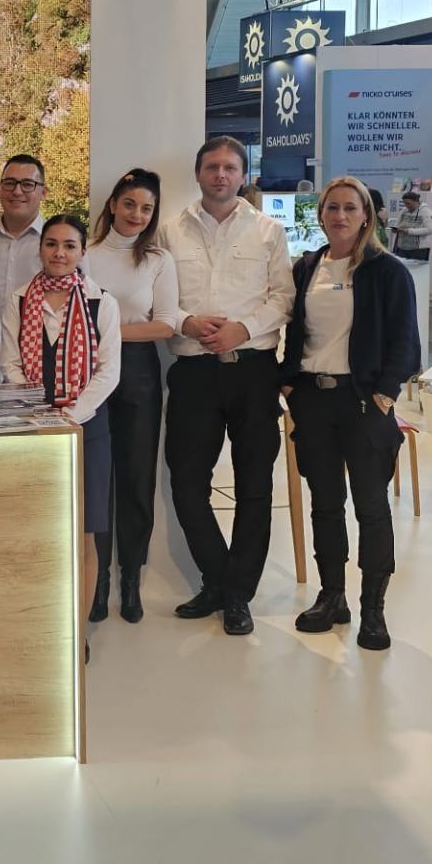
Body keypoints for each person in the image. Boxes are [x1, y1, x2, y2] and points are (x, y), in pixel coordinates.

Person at [279, 178, 419, 652]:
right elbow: (295, 332)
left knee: (371, 507)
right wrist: (289, 382)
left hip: (363, 404)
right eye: (332, 207)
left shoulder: (387, 271)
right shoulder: (306, 268)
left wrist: (385, 395)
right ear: (320, 214)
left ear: (366, 217)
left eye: (350, 208)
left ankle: (373, 610)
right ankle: (331, 596)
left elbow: (406, 341)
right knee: (324, 503)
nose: (340, 216)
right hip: (314, 401)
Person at [163, 136, 294, 636]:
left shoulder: (268, 230)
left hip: (253, 372)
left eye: (230, 167)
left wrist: (244, 329)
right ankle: (217, 579)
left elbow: (283, 297)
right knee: (186, 483)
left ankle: (238, 594)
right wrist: (187, 322)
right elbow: (159, 298)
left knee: (254, 485)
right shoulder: (170, 230)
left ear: (243, 175)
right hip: (193, 372)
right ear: (198, 173)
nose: (221, 174)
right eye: (212, 166)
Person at [10, 215, 121, 661]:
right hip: (32, 427)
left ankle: (78, 632)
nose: (59, 253)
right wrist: (39, 413)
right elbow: (10, 361)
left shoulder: (101, 302)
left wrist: (70, 415)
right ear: (40, 248)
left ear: (82, 252)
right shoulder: (20, 299)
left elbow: (108, 372)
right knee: (38, 532)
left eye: (69, 245)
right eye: (52, 244)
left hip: (86, 429)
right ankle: (39, 622)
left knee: (84, 533)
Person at [82, 169, 180, 625]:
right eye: (129, 204)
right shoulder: (85, 255)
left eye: (146, 208)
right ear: (112, 205)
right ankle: (98, 579)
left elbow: (165, 324)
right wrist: (103, 339)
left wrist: (108, 333)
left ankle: (131, 579)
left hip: (139, 372)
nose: (137, 215)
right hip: (90, 374)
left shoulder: (158, 259)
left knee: (138, 477)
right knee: (97, 480)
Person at [0, 155, 47, 333]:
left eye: (28, 184)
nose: (17, 191)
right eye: (10, 183)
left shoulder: (59, 245)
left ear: (43, 193)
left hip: (38, 346)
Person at [390, 190, 432, 261]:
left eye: (408, 203)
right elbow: (397, 224)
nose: (406, 206)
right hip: (402, 247)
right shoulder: (404, 210)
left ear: (416, 201)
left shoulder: (425, 211)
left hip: (418, 249)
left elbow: (430, 230)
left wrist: (409, 231)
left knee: (417, 267)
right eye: (404, 203)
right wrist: (395, 230)